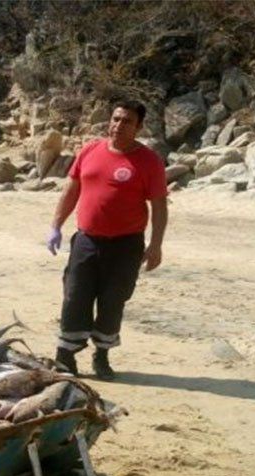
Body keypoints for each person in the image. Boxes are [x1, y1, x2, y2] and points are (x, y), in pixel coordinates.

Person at [45, 100, 168, 380]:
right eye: (115, 119)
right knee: (75, 295)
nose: (118, 126)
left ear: (138, 127)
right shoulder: (90, 151)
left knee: (113, 301)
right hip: (87, 240)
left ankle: (102, 356)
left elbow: (159, 206)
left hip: (126, 245)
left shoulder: (149, 161)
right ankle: (65, 356)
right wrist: (55, 226)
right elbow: (71, 189)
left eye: (126, 121)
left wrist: (156, 244)